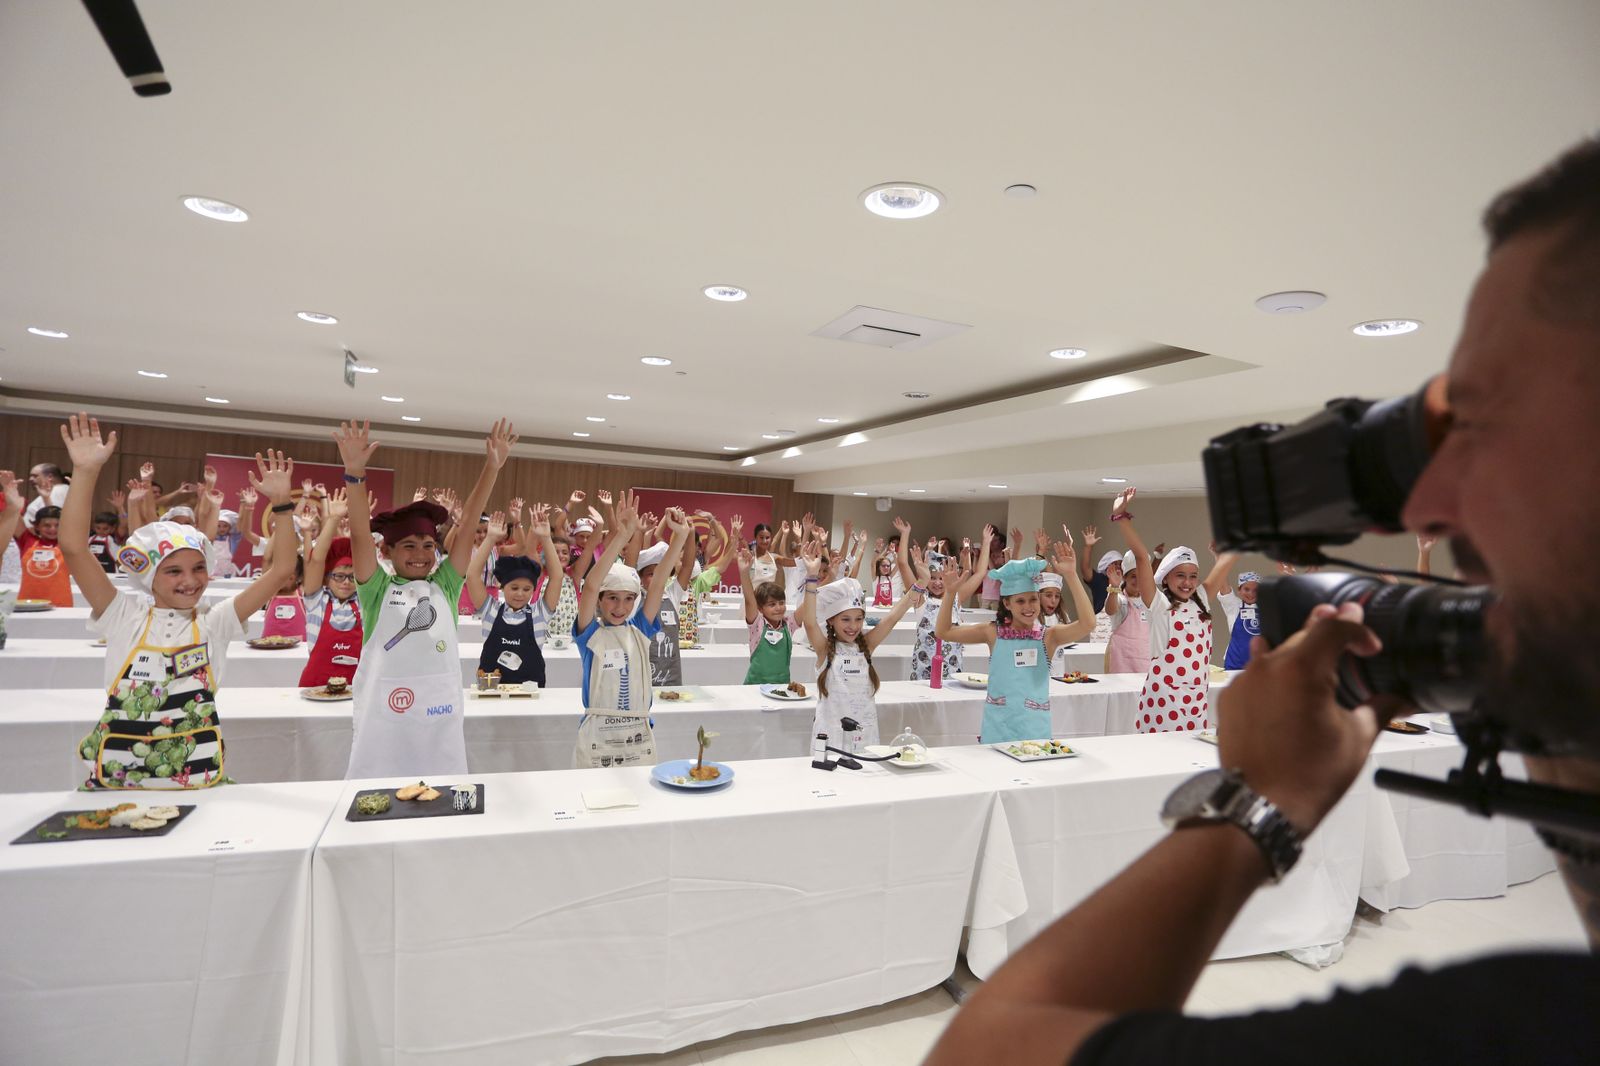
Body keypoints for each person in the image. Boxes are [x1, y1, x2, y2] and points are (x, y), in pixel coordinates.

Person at [926, 136, 1600, 1066]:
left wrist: (1260, 801)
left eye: (1482, 420)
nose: (1430, 502)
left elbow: (994, 1049)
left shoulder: (1524, 1024)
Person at [56, 413, 299, 789]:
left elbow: (283, 568)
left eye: (199, 568)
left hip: (197, 774)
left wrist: (282, 503)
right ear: (150, 577)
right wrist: (86, 471)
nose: (190, 581)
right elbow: (72, 547)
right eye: (173, 572)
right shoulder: (122, 614)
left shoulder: (215, 621)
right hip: (120, 779)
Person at [337, 417, 516, 779]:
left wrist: (492, 468)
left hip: (437, 714)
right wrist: (354, 474)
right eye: (408, 545)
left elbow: (467, 530)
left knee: (441, 794)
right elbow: (359, 533)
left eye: (428, 546)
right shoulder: (376, 588)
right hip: (385, 717)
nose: (420, 554)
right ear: (386, 551)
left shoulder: (445, 585)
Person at [938, 526, 1097, 743]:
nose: (1028, 607)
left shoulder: (1048, 637)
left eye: (1033, 599)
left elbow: (1088, 623)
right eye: (1020, 601)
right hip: (998, 726)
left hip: (1034, 728)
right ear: (1007, 603)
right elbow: (944, 631)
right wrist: (949, 593)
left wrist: (1071, 576)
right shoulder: (992, 632)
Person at [572, 493, 689, 768]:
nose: (620, 606)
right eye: (612, 597)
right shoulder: (590, 635)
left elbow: (659, 582)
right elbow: (590, 585)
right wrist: (622, 537)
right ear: (600, 600)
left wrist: (680, 536)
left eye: (628, 599)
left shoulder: (640, 630)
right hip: (598, 738)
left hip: (637, 736)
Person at [800, 542, 917, 748]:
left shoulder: (866, 646)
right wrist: (811, 576)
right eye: (845, 619)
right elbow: (809, 622)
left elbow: (891, 618)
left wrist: (918, 585)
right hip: (830, 735)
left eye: (858, 619)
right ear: (831, 621)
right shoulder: (824, 649)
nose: (853, 626)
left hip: (865, 733)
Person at [466, 507, 565, 688]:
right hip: (491, 690)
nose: (520, 593)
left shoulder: (539, 614)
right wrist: (490, 539)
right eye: (514, 588)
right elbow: (472, 575)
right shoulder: (491, 611)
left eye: (527, 589)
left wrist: (546, 538)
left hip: (530, 693)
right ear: (503, 587)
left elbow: (557, 577)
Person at [297, 489, 365, 690]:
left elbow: (369, 559)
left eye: (352, 577)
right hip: (315, 687)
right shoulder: (317, 600)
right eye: (338, 576)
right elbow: (317, 559)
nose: (346, 582)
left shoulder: (364, 603)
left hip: (356, 688)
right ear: (327, 579)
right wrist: (334, 518)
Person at [893, 516, 965, 683]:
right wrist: (905, 534)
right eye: (932, 578)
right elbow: (903, 564)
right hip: (924, 670)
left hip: (952, 670)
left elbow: (978, 573)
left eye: (942, 578)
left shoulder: (955, 599)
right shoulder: (921, 598)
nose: (938, 583)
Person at [737, 546, 799, 684]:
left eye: (781, 603)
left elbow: (807, 605)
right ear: (760, 608)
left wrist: (813, 576)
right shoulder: (757, 624)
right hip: (754, 688)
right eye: (772, 604)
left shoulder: (789, 623)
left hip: (782, 688)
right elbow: (749, 599)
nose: (778, 608)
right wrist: (744, 572)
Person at [1101, 549, 1151, 674]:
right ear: (1125, 577)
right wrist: (1114, 587)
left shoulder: (1151, 601)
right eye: (1134, 576)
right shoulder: (1120, 598)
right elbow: (1111, 610)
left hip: (1145, 660)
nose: (1138, 580)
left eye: (1142, 576)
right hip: (1120, 661)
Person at [15, 504, 74, 606]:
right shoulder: (27, 541)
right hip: (27, 605)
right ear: (37, 526)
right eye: (47, 525)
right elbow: (12, 513)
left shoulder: (68, 544)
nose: (52, 529)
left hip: (60, 605)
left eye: (57, 525)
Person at [1216, 567, 1262, 671]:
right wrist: (1219, 558)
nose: (1251, 593)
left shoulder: (1267, 609)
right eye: (1246, 589)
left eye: (1256, 590)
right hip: (1234, 664)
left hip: (1260, 666)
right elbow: (1223, 585)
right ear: (1239, 590)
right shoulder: (1234, 606)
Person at [24, 462, 69, 531]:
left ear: (50, 477)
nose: (30, 479)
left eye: (35, 476)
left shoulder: (57, 491)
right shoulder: (61, 490)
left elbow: (54, 519)